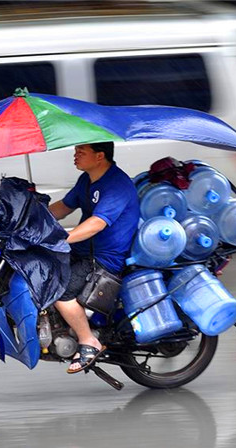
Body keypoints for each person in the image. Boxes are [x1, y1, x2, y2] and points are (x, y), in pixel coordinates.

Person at [48, 142, 140, 374]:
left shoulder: (116, 184)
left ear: (100, 156)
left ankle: (89, 341)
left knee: (60, 291)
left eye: (82, 151)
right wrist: (32, 219)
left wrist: (63, 238)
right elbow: (63, 207)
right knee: (44, 267)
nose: (75, 154)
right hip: (83, 251)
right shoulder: (86, 180)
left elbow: (97, 223)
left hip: (104, 258)